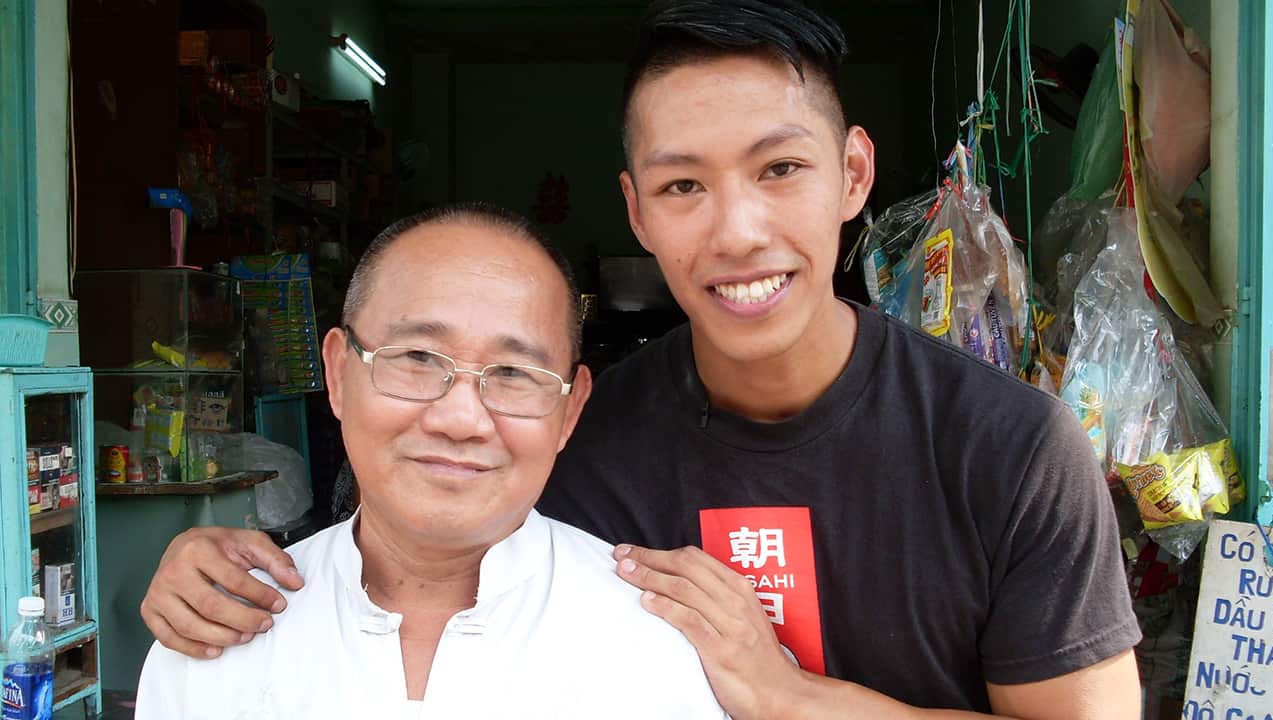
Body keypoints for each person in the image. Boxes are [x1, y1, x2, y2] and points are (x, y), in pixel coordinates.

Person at [140, 1, 1143, 717]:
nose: (737, 231)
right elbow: (411, 538)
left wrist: (789, 696)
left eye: (780, 168)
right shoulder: (579, 439)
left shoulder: (1009, 450)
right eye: (681, 187)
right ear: (633, 211)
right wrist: (220, 569)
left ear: (852, 175)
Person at [134, 204, 728, 719]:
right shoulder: (215, 635)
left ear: (569, 412)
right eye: (417, 357)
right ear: (339, 374)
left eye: (516, 373)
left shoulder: (667, 650)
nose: (461, 419)